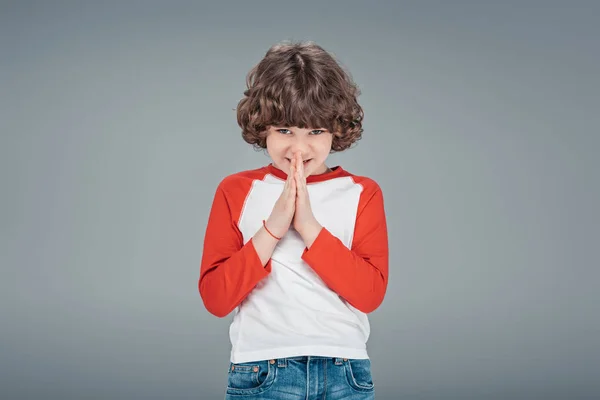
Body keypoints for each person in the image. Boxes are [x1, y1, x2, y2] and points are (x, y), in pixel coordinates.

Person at [198, 40, 389, 399]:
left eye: (315, 132)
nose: (299, 149)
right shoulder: (236, 190)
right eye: (285, 130)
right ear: (263, 127)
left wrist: (309, 227)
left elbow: (369, 294)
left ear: (336, 129)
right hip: (262, 370)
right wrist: (273, 227)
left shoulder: (362, 193)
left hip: (344, 370)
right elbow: (216, 298)